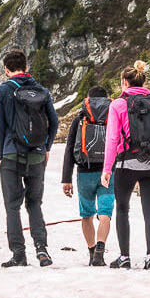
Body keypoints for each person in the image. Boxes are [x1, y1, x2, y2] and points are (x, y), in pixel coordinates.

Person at [0, 50, 59, 268]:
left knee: (12, 206)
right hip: (37, 153)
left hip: (11, 153)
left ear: (6, 69)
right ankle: (42, 249)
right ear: (26, 67)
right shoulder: (41, 90)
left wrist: (0, 154)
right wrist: (46, 147)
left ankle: (18, 253)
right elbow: (54, 122)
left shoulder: (1, 91)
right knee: (34, 203)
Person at [101, 61, 150, 271]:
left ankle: (124, 257)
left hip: (127, 163)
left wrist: (106, 168)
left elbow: (112, 139)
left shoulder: (118, 105)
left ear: (124, 82)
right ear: (143, 81)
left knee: (122, 208)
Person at [60, 85, 115, 266]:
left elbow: (69, 149)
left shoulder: (80, 118)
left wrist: (66, 179)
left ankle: (92, 252)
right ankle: (100, 250)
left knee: (87, 215)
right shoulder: (113, 116)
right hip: (107, 172)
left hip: (85, 172)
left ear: (88, 99)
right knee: (105, 213)